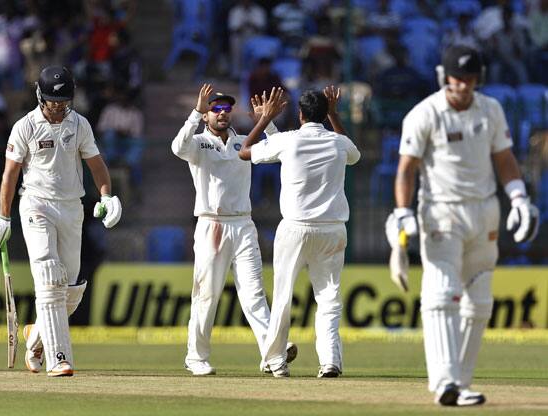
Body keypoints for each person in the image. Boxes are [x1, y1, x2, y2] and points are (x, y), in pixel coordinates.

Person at [385, 45, 540, 406]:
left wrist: (518, 196)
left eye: (470, 79)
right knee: (441, 295)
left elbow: (504, 158)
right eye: (458, 79)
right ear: (444, 77)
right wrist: (403, 211)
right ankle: (445, 383)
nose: (464, 86)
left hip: (484, 211)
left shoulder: (491, 110)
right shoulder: (425, 114)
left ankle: (460, 383)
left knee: (480, 303)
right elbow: (406, 169)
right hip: (441, 211)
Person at [0, 65, 122, 377]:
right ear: (40, 97)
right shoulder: (25, 126)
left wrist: (106, 196)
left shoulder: (80, 124)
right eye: (53, 103)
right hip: (36, 204)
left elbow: (96, 165)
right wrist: (3, 218)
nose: (59, 109)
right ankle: (59, 357)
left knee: (70, 290)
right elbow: (10, 174)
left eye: (64, 103)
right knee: (48, 274)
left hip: (72, 208)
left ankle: (35, 338)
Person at [171, 84, 297, 376]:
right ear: (207, 115)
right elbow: (177, 147)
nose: (222, 113)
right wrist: (195, 112)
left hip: (243, 224)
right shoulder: (198, 143)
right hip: (211, 225)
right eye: (216, 109)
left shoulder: (244, 142)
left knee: (254, 294)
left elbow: (281, 152)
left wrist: (266, 121)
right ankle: (196, 357)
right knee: (207, 294)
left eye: (226, 109)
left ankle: (273, 355)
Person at [239, 86, 361, 377]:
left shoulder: (289, 141)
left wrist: (263, 119)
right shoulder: (338, 143)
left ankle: (276, 361)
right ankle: (330, 361)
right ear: (324, 112)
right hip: (331, 230)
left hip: (294, 228)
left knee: (282, 297)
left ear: (301, 114)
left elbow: (245, 152)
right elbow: (354, 153)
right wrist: (334, 115)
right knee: (329, 297)